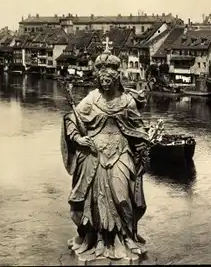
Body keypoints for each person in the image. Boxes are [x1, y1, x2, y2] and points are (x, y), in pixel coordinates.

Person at [60, 48, 150, 261]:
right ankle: (100, 239)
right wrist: (78, 139)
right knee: (96, 201)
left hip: (120, 152)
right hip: (94, 154)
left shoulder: (127, 101)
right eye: (102, 80)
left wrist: (143, 147)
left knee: (122, 196)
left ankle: (126, 237)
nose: (105, 83)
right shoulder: (92, 99)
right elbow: (71, 119)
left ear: (116, 78)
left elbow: (139, 128)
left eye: (109, 79)